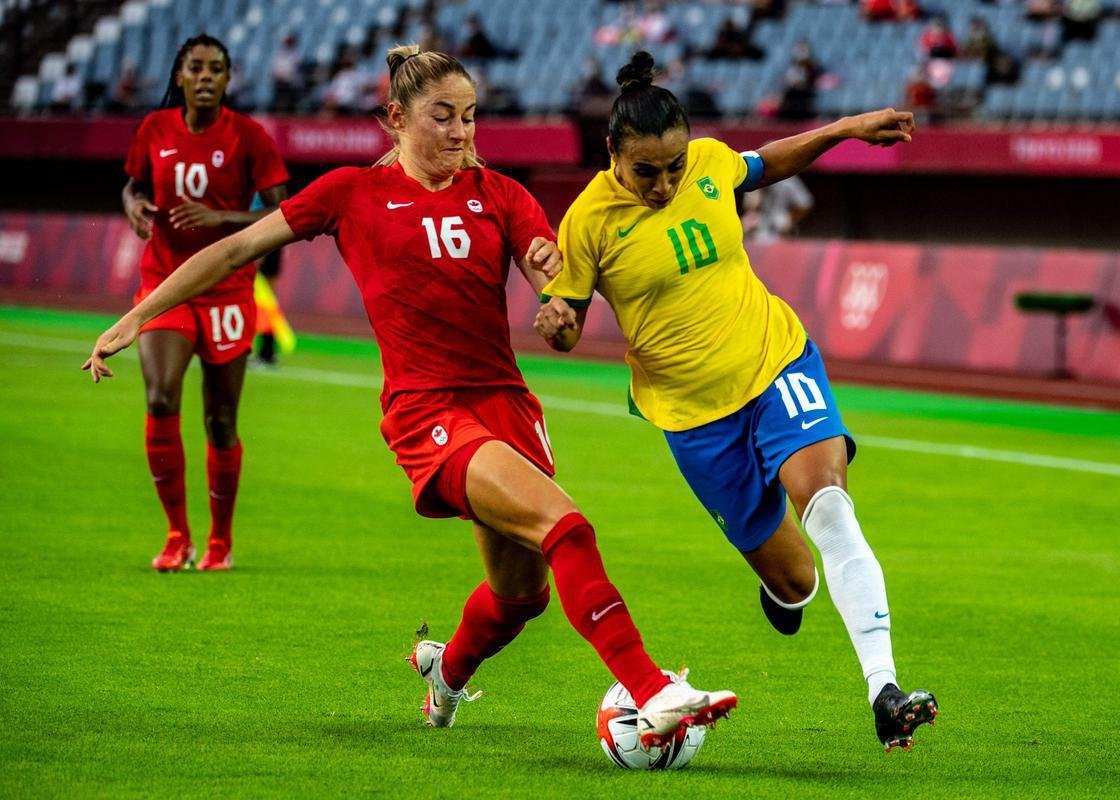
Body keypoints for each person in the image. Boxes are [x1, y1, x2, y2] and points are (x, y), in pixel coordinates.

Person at [84, 45, 737, 747]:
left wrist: (554, 286)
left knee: (521, 596)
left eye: (470, 117)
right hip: (428, 411)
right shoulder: (349, 193)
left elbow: (545, 265)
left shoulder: (499, 193)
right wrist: (138, 314)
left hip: (505, 406)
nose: (460, 132)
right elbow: (233, 250)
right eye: (442, 117)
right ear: (396, 118)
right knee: (567, 526)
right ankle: (653, 688)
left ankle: (444, 675)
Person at [535, 51, 938, 752]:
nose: (665, 183)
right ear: (612, 155)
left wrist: (844, 128)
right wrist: (561, 324)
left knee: (831, 505)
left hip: (774, 361)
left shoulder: (712, 164)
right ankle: (783, 593)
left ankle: (884, 689)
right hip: (693, 417)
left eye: (676, 166)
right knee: (796, 579)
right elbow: (565, 317)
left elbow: (768, 162)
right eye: (647, 172)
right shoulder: (588, 223)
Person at [116, 34, 290, 572]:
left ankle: (220, 541)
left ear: (228, 78)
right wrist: (135, 207)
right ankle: (176, 535)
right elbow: (131, 186)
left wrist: (224, 219)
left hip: (227, 288)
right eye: (197, 67)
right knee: (162, 397)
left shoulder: (249, 137)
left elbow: (284, 216)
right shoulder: (153, 129)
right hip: (167, 283)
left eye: (217, 68)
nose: (208, 76)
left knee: (220, 421)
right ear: (181, 76)